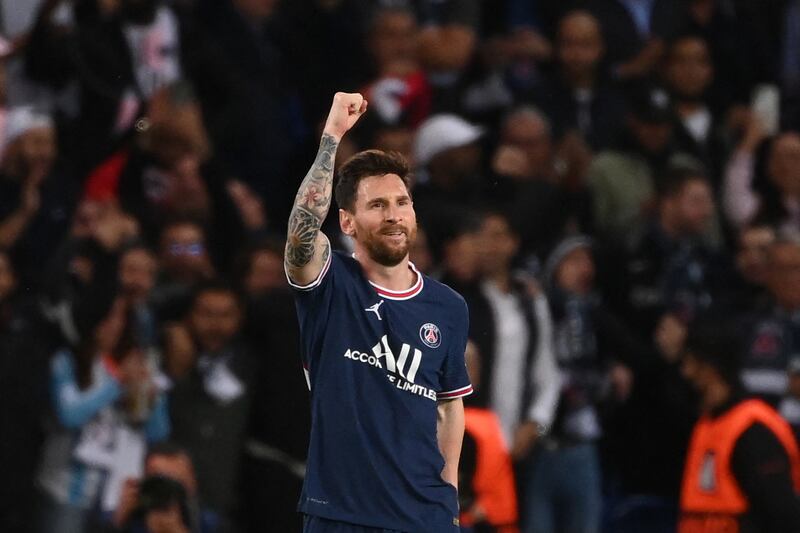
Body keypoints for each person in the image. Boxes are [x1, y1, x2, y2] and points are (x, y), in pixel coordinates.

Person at [284, 92, 472, 532]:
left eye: (402, 202)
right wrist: (332, 135)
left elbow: (449, 410)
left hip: (425, 518)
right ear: (347, 222)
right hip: (341, 515)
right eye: (377, 205)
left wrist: (450, 502)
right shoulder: (330, 284)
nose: (394, 215)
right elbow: (301, 232)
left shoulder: (448, 307)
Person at [679, 320, 800, 532]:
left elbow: (783, 515)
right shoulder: (706, 424)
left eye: (690, 362)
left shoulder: (753, 429)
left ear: (709, 367)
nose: (685, 372)